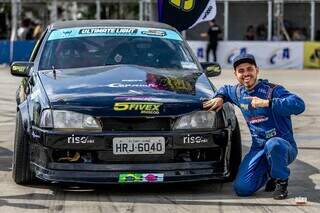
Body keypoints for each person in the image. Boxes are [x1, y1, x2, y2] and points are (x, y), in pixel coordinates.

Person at [203, 53, 305, 199]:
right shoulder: (238, 92)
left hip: (283, 146)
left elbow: (299, 105)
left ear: (257, 70)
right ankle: (269, 172)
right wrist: (220, 97)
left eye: (249, 69)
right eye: (241, 71)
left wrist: (268, 103)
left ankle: (281, 180)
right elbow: (225, 89)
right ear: (235, 74)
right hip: (259, 149)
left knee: (274, 144)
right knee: (242, 189)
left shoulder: (273, 90)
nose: (246, 74)